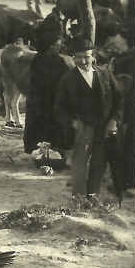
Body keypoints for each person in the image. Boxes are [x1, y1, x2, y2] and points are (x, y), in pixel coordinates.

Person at [53, 36, 122, 197]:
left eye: (86, 56)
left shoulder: (105, 74)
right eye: (78, 57)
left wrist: (113, 120)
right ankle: (79, 198)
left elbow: (118, 99)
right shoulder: (67, 79)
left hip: (104, 127)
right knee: (80, 164)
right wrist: (72, 122)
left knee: (99, 163)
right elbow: (59, 108)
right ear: (73, 58)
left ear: (93, 55)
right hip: (83, 128)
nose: (83, 61)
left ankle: (92, 196)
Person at [23, 33, 71, 158]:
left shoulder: (37, 59)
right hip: (49, 101)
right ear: (51, 46)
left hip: (38, 100)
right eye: (58, 45)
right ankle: (48, 153)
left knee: (39, 127)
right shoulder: (57, 61)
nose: (60, 47)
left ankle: (41, 152)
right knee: (50, 127)